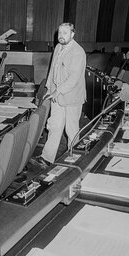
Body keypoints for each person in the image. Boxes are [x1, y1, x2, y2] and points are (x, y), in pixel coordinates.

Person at [34, 22, 86, 167]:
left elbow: (74, 79)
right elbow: (52, 71)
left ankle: (74, 160)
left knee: (71, 130)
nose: (61, 36)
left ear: (72, 34)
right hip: (56, 95)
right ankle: (46, 158)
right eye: (59, 33)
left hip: (71, 98)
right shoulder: (58, 47)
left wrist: (57, 91)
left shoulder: (78, 52)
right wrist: (49, 89)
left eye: (65, 33)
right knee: (54, 126)